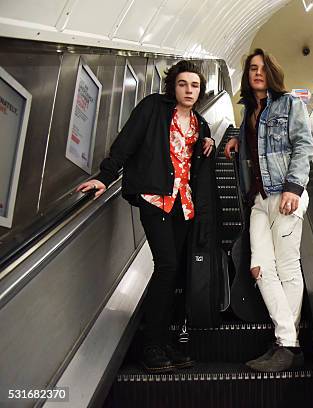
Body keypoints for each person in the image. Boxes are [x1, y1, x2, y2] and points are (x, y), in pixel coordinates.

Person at [76, 60, 216, 373]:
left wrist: (210, 142)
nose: (189, 90)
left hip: (184, 204)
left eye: (194, 85)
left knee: (175, 270)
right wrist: (105, 175)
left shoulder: (201, 124)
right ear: (173, 86)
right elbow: (128, 140)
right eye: (183, 84)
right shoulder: (153, 108)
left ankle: (164, 341)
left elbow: (198, 162)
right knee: (166, 265)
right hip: (155, 198)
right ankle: (151, 344)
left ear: (200, 90)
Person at [224, 49, 313, 372]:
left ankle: (285, 345)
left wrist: (294, 186)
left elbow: (304, 145)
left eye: (263, 68)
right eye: (252, 68)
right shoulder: (249, 110)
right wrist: (237, 142)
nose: (257, 73)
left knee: (288, 269)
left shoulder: (290, 104)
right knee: (260, 267)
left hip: (286, 195)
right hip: (259, 200)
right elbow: (256, 144)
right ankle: (288, 343)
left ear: (272, 72)